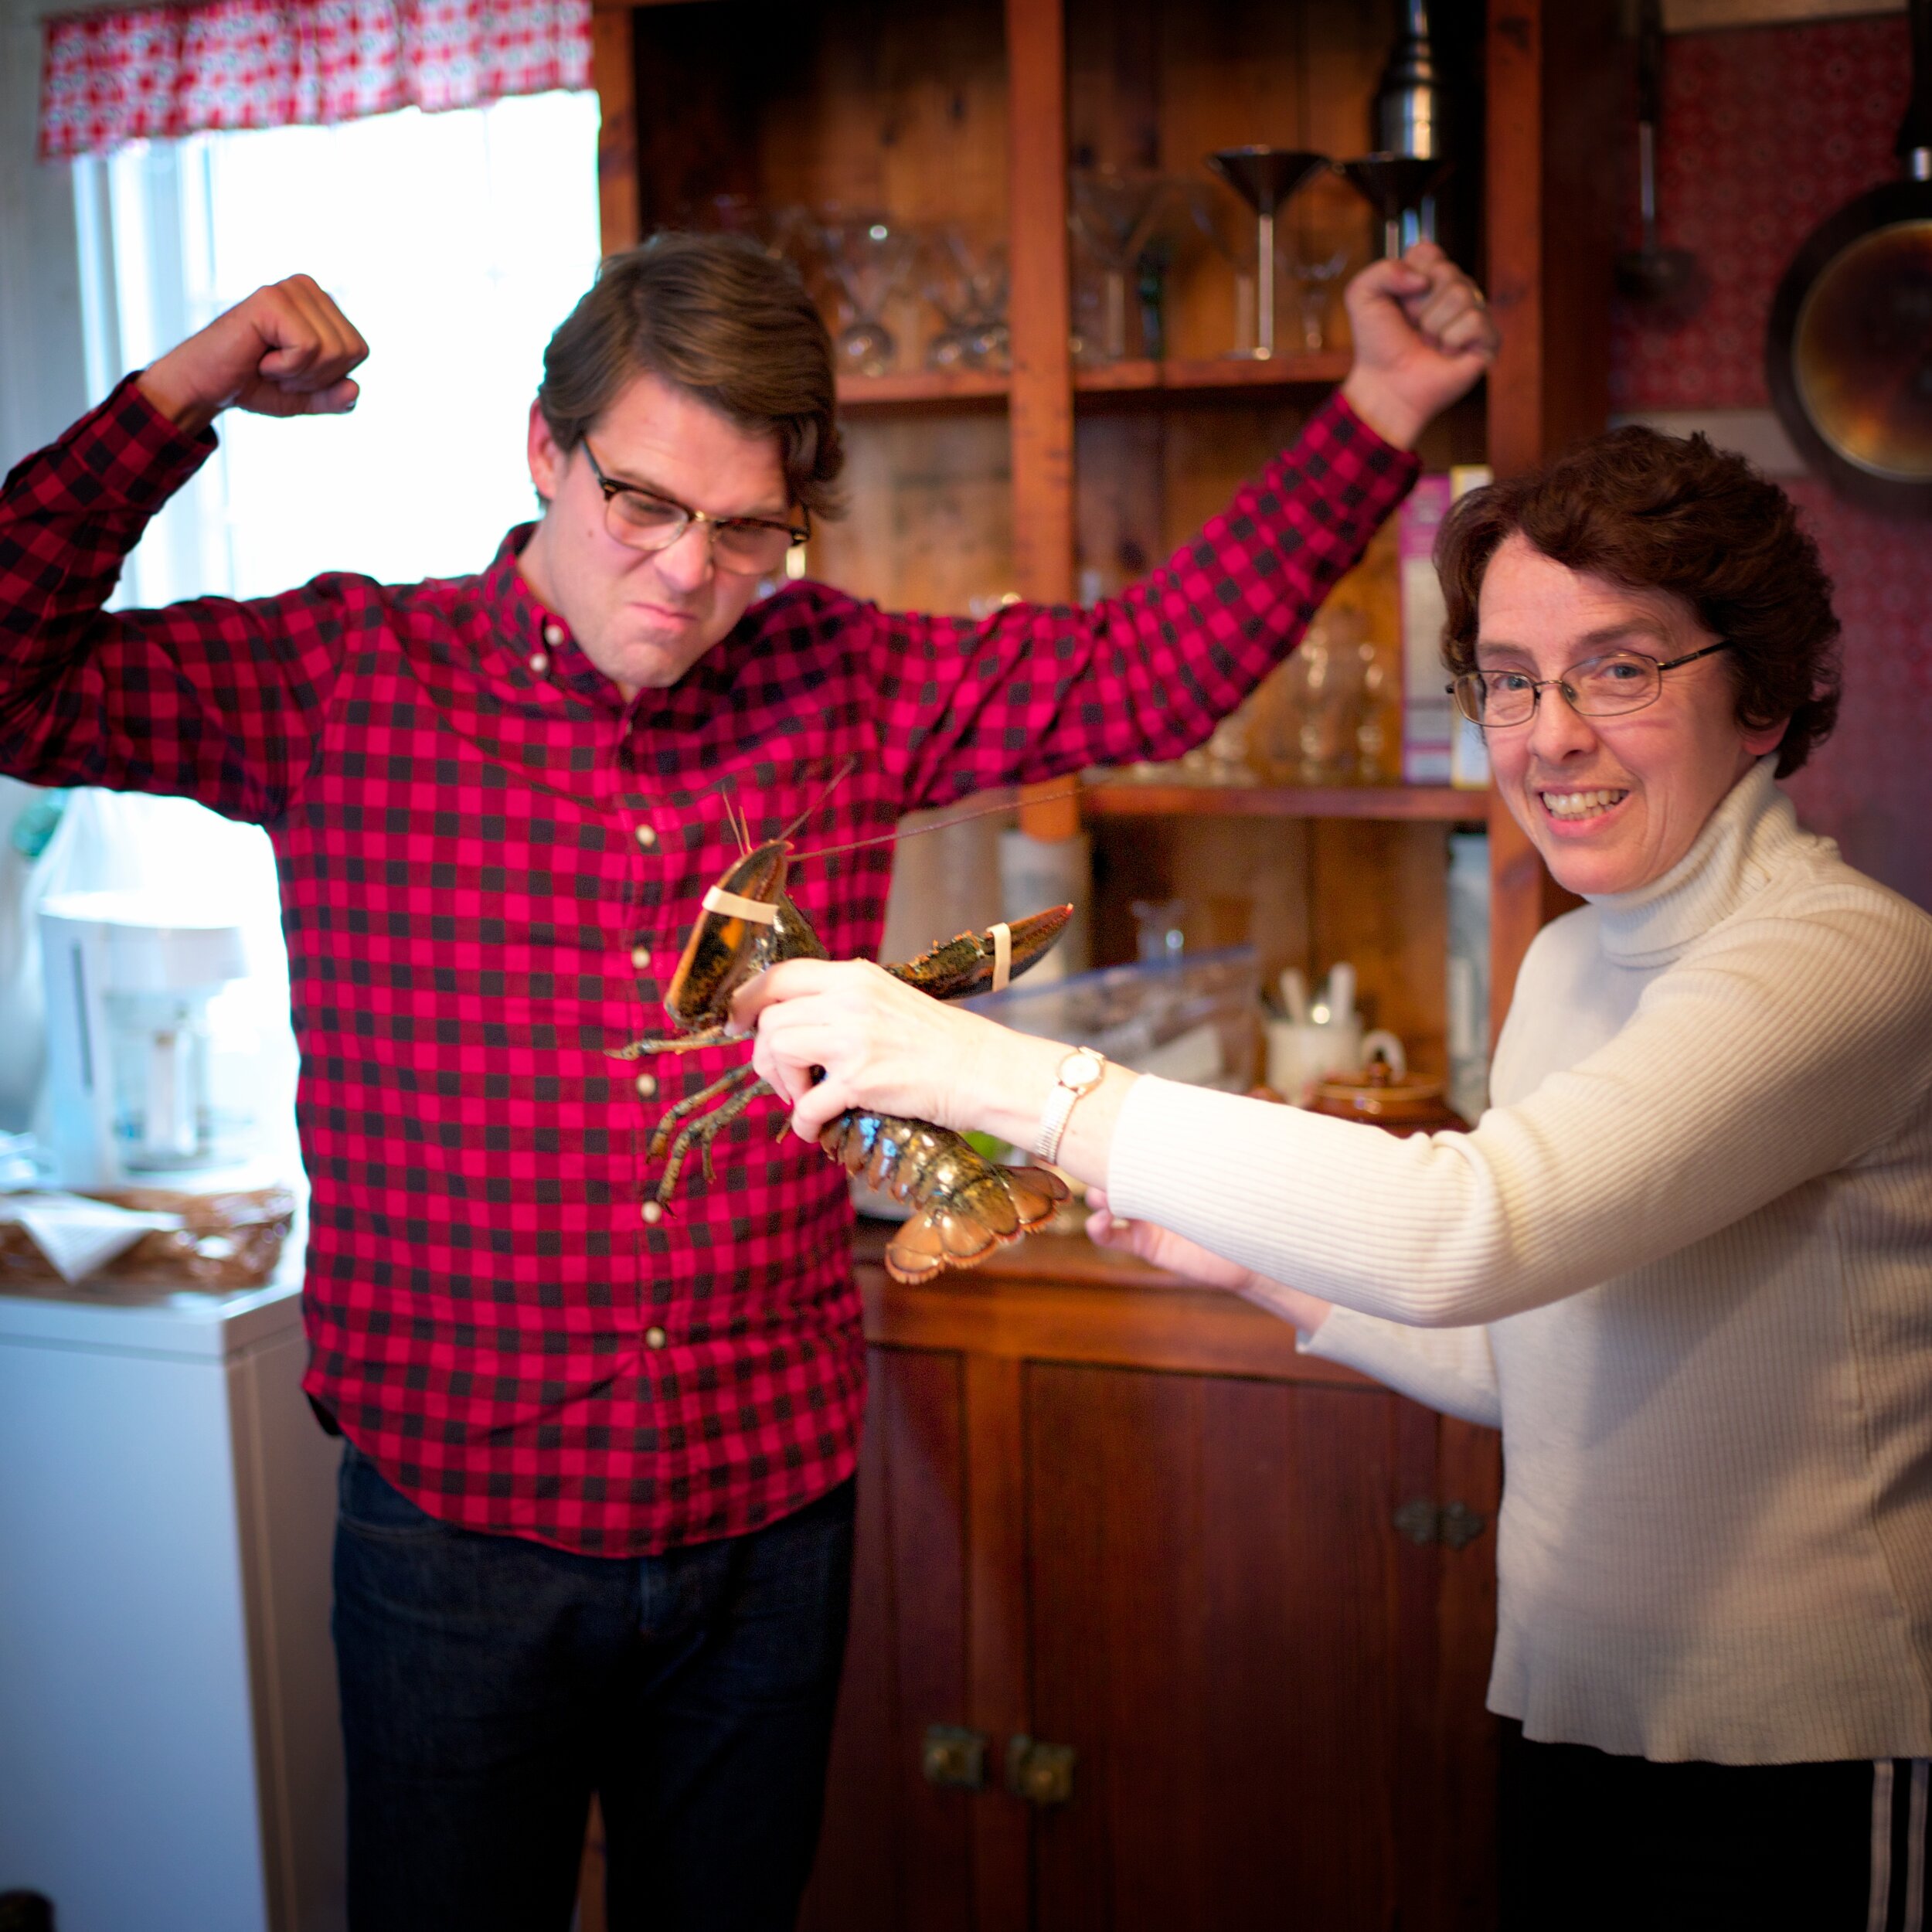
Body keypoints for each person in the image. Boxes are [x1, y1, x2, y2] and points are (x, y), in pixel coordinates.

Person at [0, 232, 1496, 1930]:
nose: (682, 572)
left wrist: (1377, 408)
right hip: (452, 1531)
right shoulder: (340, 681)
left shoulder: (837, 677)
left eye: (743, 530)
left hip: (764, 1513)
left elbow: (1152, 668)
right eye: (639, 501)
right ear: (543, 450)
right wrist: (179, 395)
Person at [740, 425, 1932, 1930]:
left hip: (1795, 1763)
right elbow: (1526, 1349)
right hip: (1570, 1710)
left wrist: (996, 1074)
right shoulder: (1574, 955)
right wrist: (1256, 1264)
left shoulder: (1835, 959)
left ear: (1758, 691)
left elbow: (1467, 1225)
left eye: (1617, 669)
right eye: (1506, 677)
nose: (1546, 733)